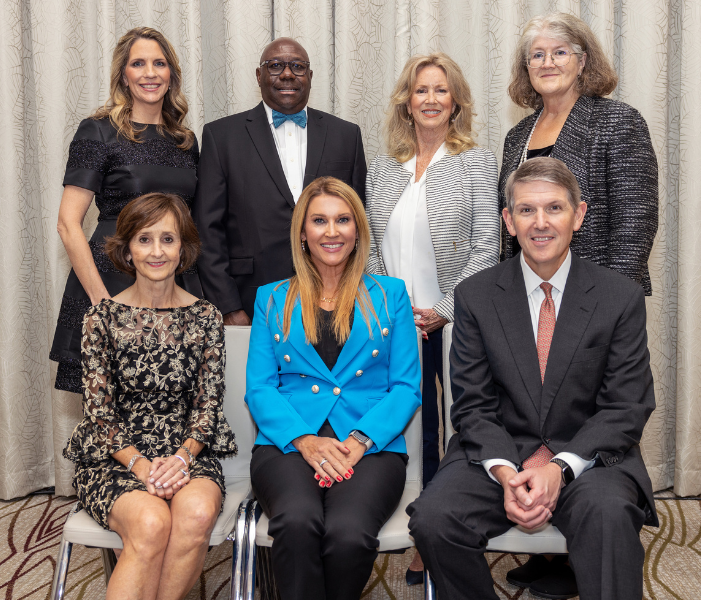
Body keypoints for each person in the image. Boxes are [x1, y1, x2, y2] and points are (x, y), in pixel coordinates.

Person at [407, 157, 658, 600]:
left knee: (609, 515)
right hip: (500, 454)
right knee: (434, 517)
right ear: (508, 220)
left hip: (588, 459)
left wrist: (560, 468)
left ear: (578, 215)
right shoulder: (476, 296)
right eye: (526, 210)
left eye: (554, 209)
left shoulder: (620, 296)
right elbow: (472, 405)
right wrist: (507, 473)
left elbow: (626, 406)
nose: (540, 223)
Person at [245, 177, 421, 600]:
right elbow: (260, 389)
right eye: (319, 220)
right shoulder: (271, 299)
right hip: (288, 440)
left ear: (358, 229)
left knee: (347, 533)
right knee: (297, 522)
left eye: (343, 220)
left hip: (371, 441)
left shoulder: (390, 295)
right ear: (302, 232)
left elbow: (406, 388)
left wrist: (360, 439)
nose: (331, 231)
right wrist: (305, 440)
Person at [365, 51, 499, 585]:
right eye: (421, 90)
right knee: (409, 429)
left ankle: (445, 527)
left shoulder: (477, 163)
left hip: (455, 321)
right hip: (394, 323)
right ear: (406, 101)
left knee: (455, 425)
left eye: (441, 90)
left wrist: (443, 310)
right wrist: (392, 311)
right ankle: (417, 522)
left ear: (456, 101)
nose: (430, 99)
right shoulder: (382, 170)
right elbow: (370, 250)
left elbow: (488, 248)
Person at [63, 192, 237, 600]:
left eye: (168, 239)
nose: (156, 251)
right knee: (151, 523)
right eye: (144, 239)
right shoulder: (100, 318)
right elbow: (99, 415)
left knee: (195, 516)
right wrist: (141, 466)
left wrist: (180, 459)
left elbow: (207, 406)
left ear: (184, 248)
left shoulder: (206, 316)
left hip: (187, 453)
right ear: (126, 248)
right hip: (115, 457)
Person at [50, 27, 202, 394]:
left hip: (171, 289)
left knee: (168, 416)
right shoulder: (98, 131)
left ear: (171, 75)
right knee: (109, 425)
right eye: (139, 64)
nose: (150, 73)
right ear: (124, 75)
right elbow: (68, 224)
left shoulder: (185, 140)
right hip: (110, 282)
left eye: (159, 64)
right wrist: (105, 306)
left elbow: (192, 224)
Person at [192, 37, 367, 326]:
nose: (287, 73)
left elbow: (359, 223)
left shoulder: (346, 135)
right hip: (250, 300)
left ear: (310, 77)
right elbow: (206, 231)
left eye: (298, 66)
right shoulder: (221, 137)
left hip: (336, 300)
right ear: (259, 76)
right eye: (275, 65)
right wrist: (228, 306)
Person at [499, 12, 658, 297]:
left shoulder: (619, 121)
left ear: (582, 61)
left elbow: (634, 223)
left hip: (593, 296)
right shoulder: (517, 136)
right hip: (525, 295)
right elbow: (510, 228)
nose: (547, 63)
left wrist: (611, 301)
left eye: (559, 52)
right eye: (537, 55)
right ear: (527, 67)